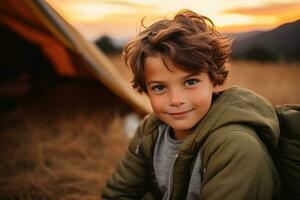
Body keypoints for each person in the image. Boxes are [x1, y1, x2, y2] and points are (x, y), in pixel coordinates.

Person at [102, 9, 281, 200]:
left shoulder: (237, 147)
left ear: (215, 80)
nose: (176, 99)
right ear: (145, 90)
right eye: (159, 87)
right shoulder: (150, 131)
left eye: (190, 82)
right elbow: (119, 194)